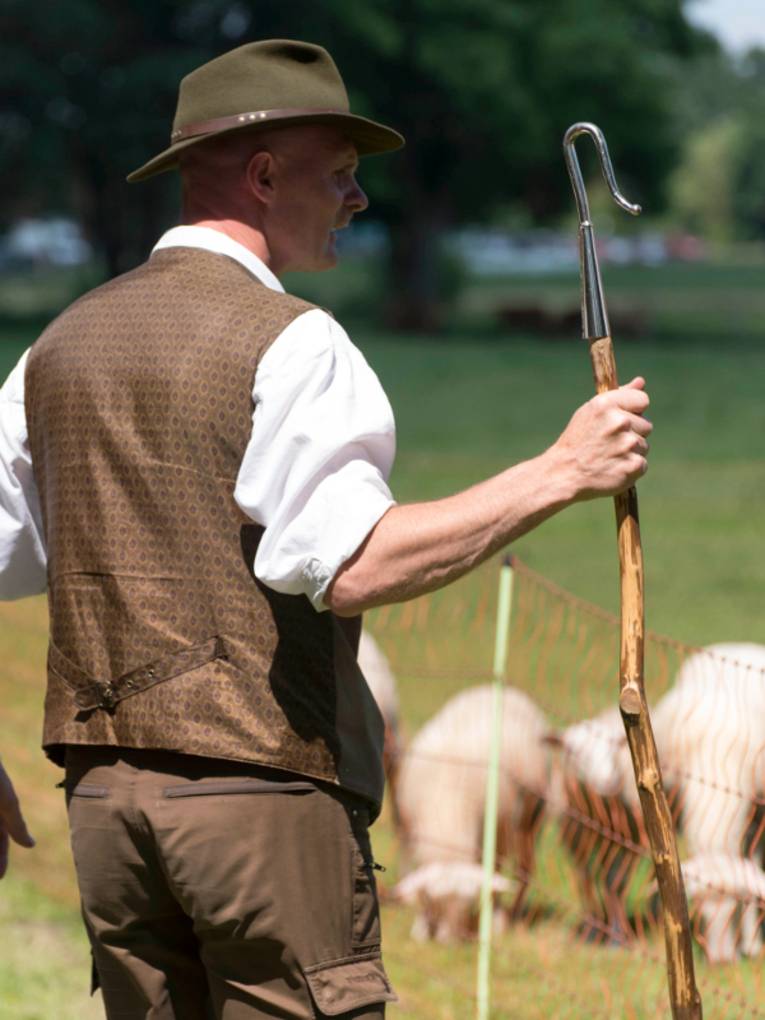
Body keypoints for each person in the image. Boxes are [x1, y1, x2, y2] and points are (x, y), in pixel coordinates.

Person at [0, 38, 652, 1020]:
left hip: (104, 810)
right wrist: (563, 472)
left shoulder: (58, 344)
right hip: (260, 807)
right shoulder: (296, 341)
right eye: (340, 176)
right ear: (264, 175)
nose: (357, 201)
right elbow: (350, 563)